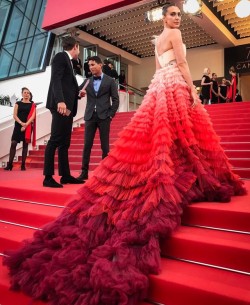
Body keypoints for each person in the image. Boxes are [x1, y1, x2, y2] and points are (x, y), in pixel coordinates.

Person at [3, 4, 246, 305]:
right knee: (179, 132)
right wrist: (194, 92)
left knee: (165, 134)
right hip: (173, 84)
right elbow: (181, 65)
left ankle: (169, 171)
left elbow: (158, 68)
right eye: (172, 14)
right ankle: (178, 175)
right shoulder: (174, 34)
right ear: (167, 17)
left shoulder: (157, 38)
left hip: (159, 86)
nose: (176, 19)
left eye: (178, 16)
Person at [43, 36, 83, 188]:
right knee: (55, 140)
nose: (78, 51)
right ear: (75, 47)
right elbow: (56, 79)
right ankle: (47, 177)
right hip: (61, 106)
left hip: (67, 107)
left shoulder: (68, 62)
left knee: (64, 143)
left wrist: (78, 93)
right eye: (78, 49)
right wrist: (60, 100)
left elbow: (67, 85)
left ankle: (65, 176)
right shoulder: (61, 57)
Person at [77, 56, 120, 181]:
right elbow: (77, 93)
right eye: (89, 65)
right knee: (87, 145)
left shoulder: (110, 81)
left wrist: (110, 115)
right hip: (90, 116)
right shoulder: (87, 81)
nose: (91, 67)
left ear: (100, 65)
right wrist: (80, 94)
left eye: (93, 64)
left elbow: (116, 99)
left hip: (104, 117)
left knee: (104, 146)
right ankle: (84, 172)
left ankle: (104, 173)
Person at [4, 87, 36, 171]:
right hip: (18, 126)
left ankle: (23, 165)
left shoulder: (32, 104)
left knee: (25, 145)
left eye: (28, 93)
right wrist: (21, 123)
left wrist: (25, 125)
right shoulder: (18, 103)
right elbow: (14, 115)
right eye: (25, 93)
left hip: (28, 126)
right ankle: (10, 165)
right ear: (22, 94)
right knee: (13, 143)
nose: (26, 94)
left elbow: (33, 116)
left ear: (29, 94)